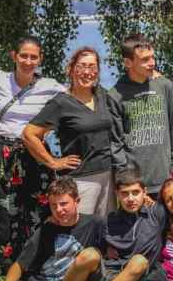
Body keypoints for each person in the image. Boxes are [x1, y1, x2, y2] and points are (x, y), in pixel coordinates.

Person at [0, 36, 65, 274]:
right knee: (1, 211)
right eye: (24, 55)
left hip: (34, 151)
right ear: (13, 56)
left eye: (33, 57)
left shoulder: (50, 85)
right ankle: (4, 272)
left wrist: (49, 131)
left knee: (39, 208)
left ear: (40, 59)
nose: (28, 61)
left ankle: (35, 269)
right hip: (1, 151)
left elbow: (74, 103)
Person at [23, 47, 126, 216]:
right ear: (71, 69)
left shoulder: (103, 96)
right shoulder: (61, 103)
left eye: (92, 67)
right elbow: (29, 134)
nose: (87, 72)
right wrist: (53, 162)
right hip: (80, 179)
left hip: (109, 175)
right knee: (80, 232)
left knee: (105, 231)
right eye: (82, 66)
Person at [109, 34, 173, 196]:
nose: (152, 63)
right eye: (145, 60)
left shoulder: (164, 86)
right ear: (128, 62)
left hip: (167, 178)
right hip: (134, 185)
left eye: (153, 57)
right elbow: (115, 142)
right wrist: (124, 176)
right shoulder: (115, 95)